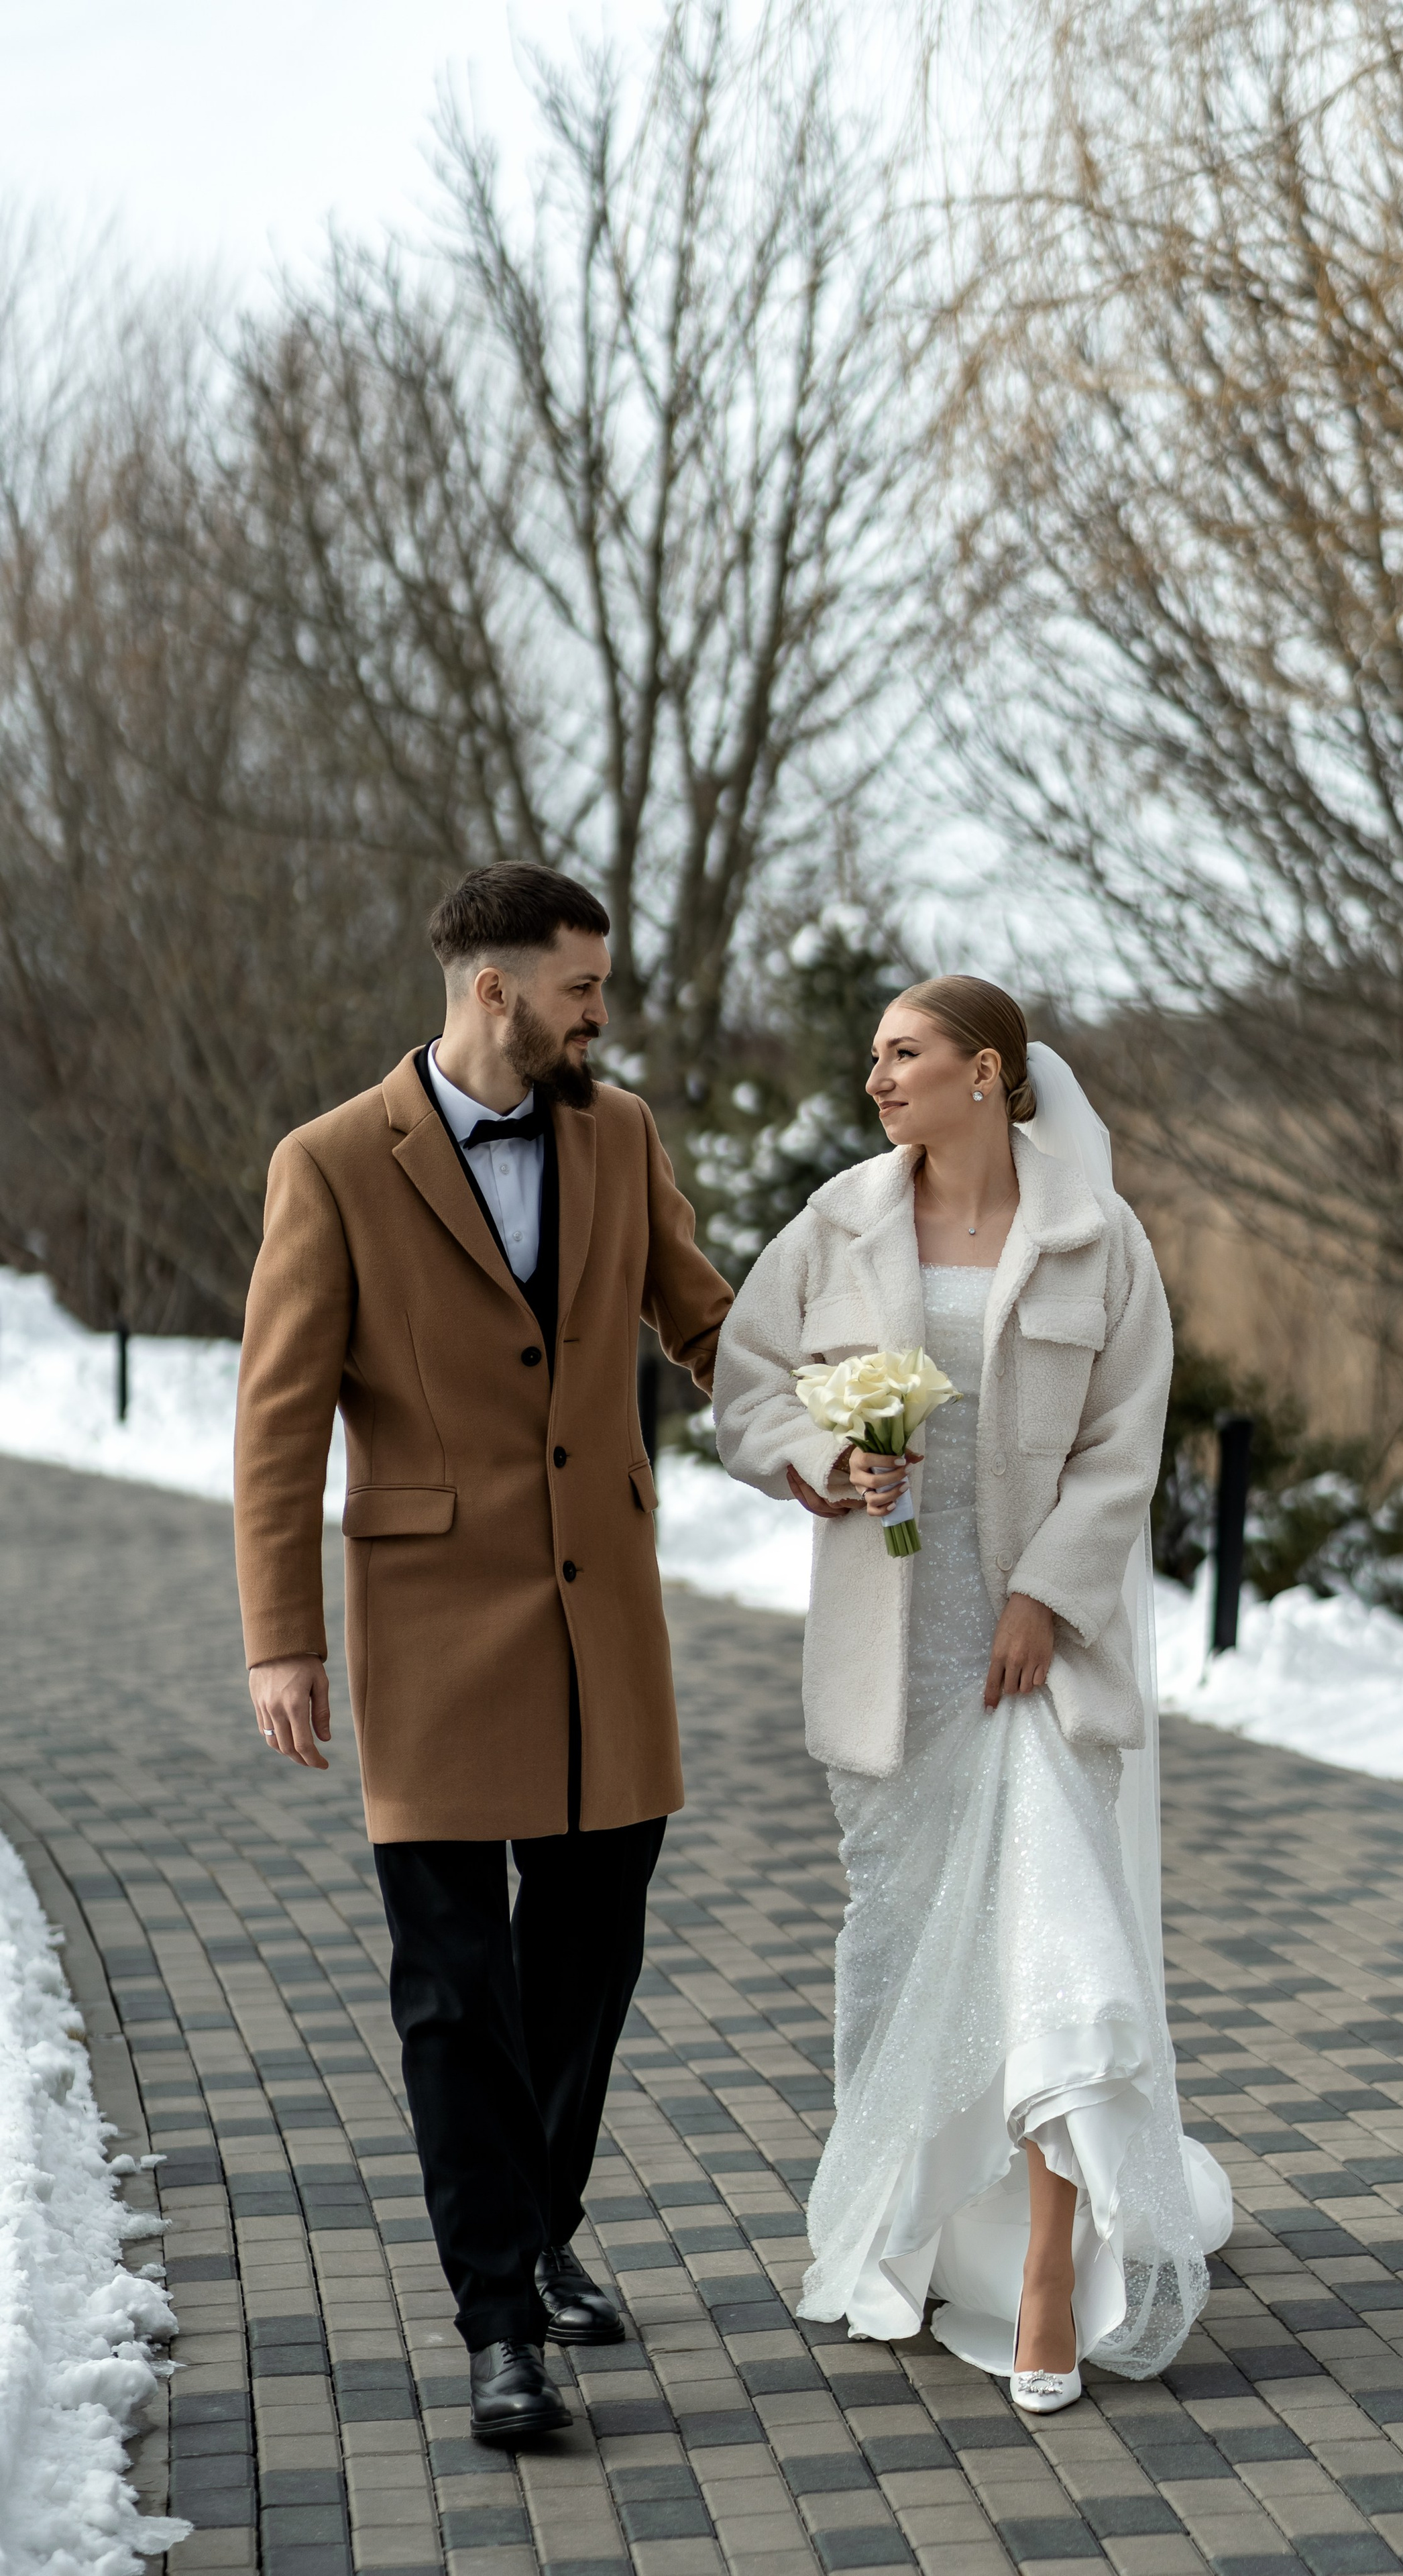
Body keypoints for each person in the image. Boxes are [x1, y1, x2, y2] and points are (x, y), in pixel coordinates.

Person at [234, 862, 732, 2443]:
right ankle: (501, 2321)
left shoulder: (621, 1130)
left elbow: (703, 1322)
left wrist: (826, 1435)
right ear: (494, 989)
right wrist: (281, 1644)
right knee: (454, 1995)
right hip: (431, 1633)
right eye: (580, 989)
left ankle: (535, 2222)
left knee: (586, 1968)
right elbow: (277, 1424)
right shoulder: (326, 1165)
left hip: (607, 1628)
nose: (602, 1015)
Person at [713, 976, 1231, 2412]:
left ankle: (1055, 2275)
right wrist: (830, 1462)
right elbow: (746, 1389)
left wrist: (1041, 1599)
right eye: (872, 1055)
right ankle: (907, 2235)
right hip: (889, 1665)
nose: (874, 1078)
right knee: (896, 1949)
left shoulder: (1094, 1236)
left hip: (1037, 1661)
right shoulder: (835, 1224)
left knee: (1056, 1945)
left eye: (902, 1053)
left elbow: (1126, 1444)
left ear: (984, 1071)